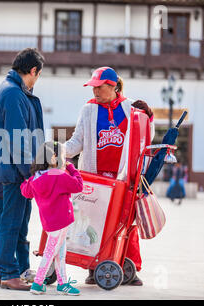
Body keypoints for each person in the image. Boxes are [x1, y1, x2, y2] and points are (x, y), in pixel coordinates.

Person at [64, 66, 155, 286]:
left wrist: (149, 118)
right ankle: (94, 267)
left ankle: (127, 266)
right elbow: (77, 142)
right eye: (93, 87)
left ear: (112, 86)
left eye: (99, 87)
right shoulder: (88, 109)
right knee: (93, 223)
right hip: (95, 178)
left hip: (123, 179)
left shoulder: (131, 108)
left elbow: (146, 139)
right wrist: (56, 152)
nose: (94, 91)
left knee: (124, 223)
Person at [0, 48, 45, 290]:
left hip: (5, 168)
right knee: (13, 222)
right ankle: (10, 274)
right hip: (15, 171)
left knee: (4, 221)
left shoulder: (9, 90)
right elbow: (19, 138)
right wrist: (31, 171)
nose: (36, 80)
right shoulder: (14, 94)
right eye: (38, 75)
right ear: (33, 70)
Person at [21, 141, 83, 296]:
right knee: (51, 252)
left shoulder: (36, 178)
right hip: (61, 220)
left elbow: (26, 192)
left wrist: (27, 180)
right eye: (62, 156)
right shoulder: (58, 174)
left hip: (49, 222)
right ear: (54, 157)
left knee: (59, 252)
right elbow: (78, 186)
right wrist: (71, 168)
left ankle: (62, 283)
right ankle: (38, 283)